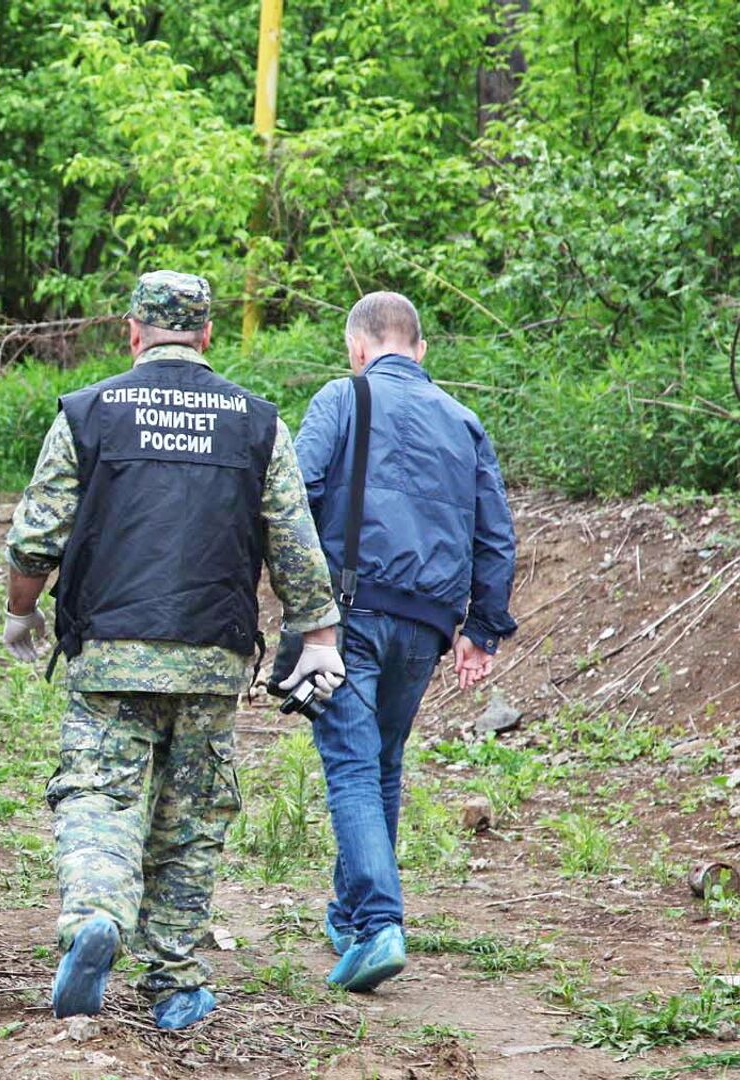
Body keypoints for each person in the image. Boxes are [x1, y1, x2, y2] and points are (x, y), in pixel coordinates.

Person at [2, 271, 344, 1030]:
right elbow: (294, 545)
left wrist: (20, 615)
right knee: (191, 817)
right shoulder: (257, 424)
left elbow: (35, 539)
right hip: (212, 655)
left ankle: (96, 915)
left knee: (99, 793)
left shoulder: (89, 414)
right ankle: (175, 980)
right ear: (208, 336)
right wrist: (318, 634)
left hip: (110, 652)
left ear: (133, 332)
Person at [294, 291, 517, 993]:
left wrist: (290, 603)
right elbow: (496, 536)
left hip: (348, 615)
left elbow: (291, 496)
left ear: (358, 347)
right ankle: (352, 913)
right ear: (418, 349)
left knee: (354, 767)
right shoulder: (464, 420)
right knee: (381, 763)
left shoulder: (341, 398)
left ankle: (382, 923)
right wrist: (481, 630)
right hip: (427, 625)